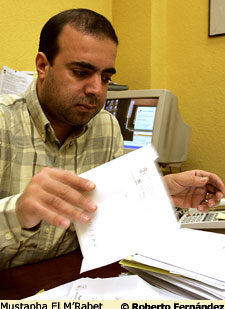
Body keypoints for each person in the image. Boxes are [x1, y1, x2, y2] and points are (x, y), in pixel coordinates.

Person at [0, 9, 224, 271]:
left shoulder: (105, 126)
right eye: (81, 72)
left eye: (105, 78)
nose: (96, 89)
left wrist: (160, 191)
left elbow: (111, 212)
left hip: (73, 283)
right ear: (42, 66)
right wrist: (18, 212)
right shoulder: (5, 122)